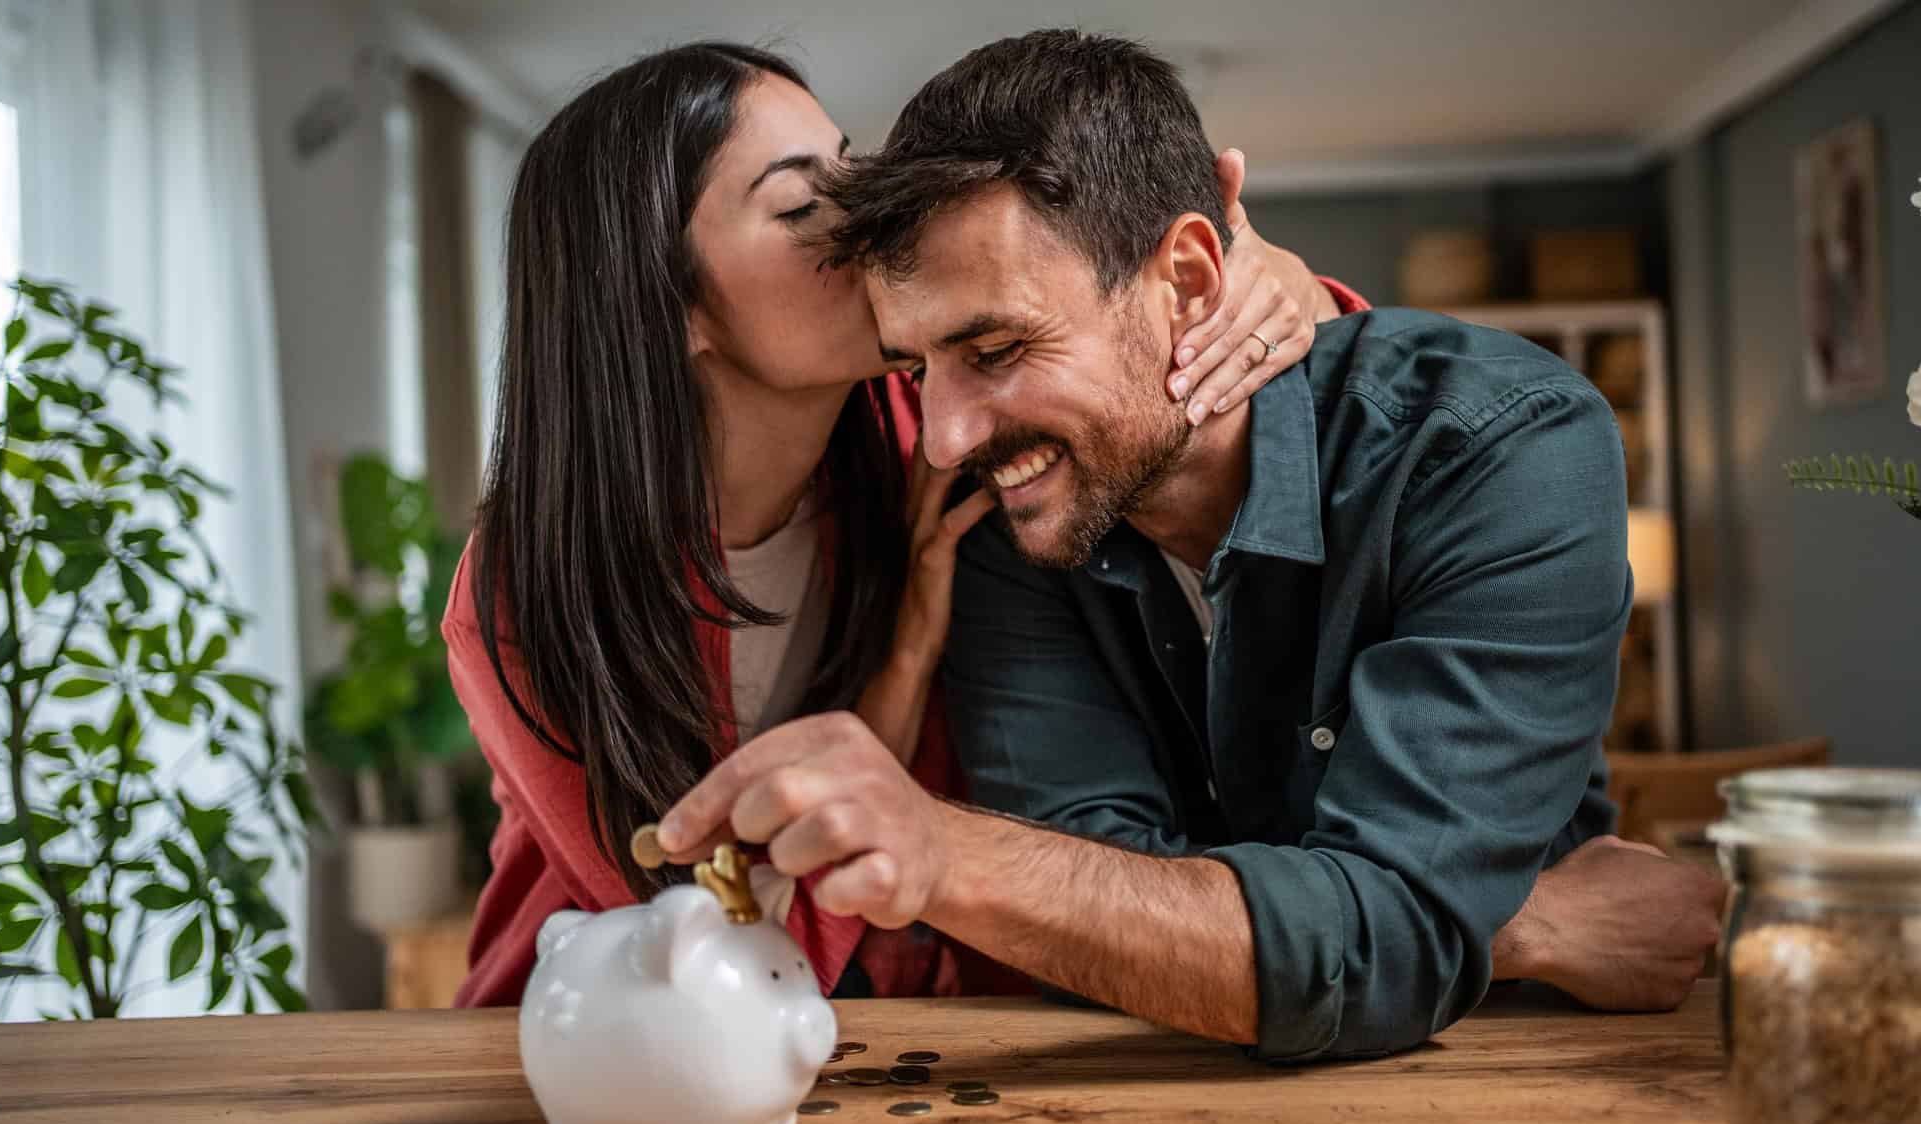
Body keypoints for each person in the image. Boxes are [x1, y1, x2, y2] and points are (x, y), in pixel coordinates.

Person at [653, 30, 1724, 1061]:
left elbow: (1127, 913)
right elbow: (1088, 945)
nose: (945, 435)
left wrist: (950, 852)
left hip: (1504, 1079)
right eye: (915, 365)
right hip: (1145, 1097)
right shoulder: (1010, 516)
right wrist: (1496, 922)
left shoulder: (1502, 448)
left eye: (995, 348)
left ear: (1195, 281)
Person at [442, 41, 1347, 1006]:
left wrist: (1281, 286)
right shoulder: (532, 592)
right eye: (799, 206)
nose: (872, 217)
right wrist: (902, 670)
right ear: (663, 308)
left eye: (852, 168)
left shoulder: (936, 428)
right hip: (602, 1054)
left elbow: (1264, 405)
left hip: (932, 1034)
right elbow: (717, 954)